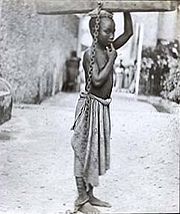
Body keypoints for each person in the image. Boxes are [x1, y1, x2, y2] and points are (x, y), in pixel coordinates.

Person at [71, 8, 133, 214]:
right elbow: (96, 80)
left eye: (113, 31)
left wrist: (126, 8)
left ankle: (89, 195)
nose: (112, 35)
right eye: (108, 31)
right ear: (95, 32)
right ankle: (80, 201)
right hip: (90, 108)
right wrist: (112, 60)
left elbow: (129, 33)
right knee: (82, 151)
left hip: (102, 108)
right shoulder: (90, 54)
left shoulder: (109, 46)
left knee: (94, 151)